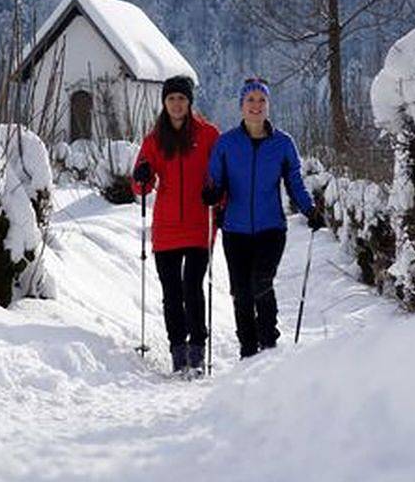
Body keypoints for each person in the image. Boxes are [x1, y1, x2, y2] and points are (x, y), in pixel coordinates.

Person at [204, 77, 324, 359]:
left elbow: (295, 182)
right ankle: (248, 349)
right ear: (241, 106)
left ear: (268, 105)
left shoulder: (283, 143)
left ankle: (268, 342)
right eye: (250, 100)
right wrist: (211, 193)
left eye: (261, 100)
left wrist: (309, 209)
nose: (256, 105)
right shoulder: (226, 144)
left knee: (261, 281)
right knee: (241, 292)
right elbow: (214, 181)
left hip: (271, 228)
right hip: (235, 229)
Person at [131, 75, 221, 374]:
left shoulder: (209, 135)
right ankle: (177, 349)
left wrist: (217, 197)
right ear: (164, 103)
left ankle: (197, 348)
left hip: (199, 226)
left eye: (181, 98)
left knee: (192, 287)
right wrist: (142, 175)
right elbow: (140, 186)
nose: (176, 104)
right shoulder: (154, 139)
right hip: (166, 228)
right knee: (171, 291)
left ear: (190, 101)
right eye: (171, 99)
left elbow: (221, 176)